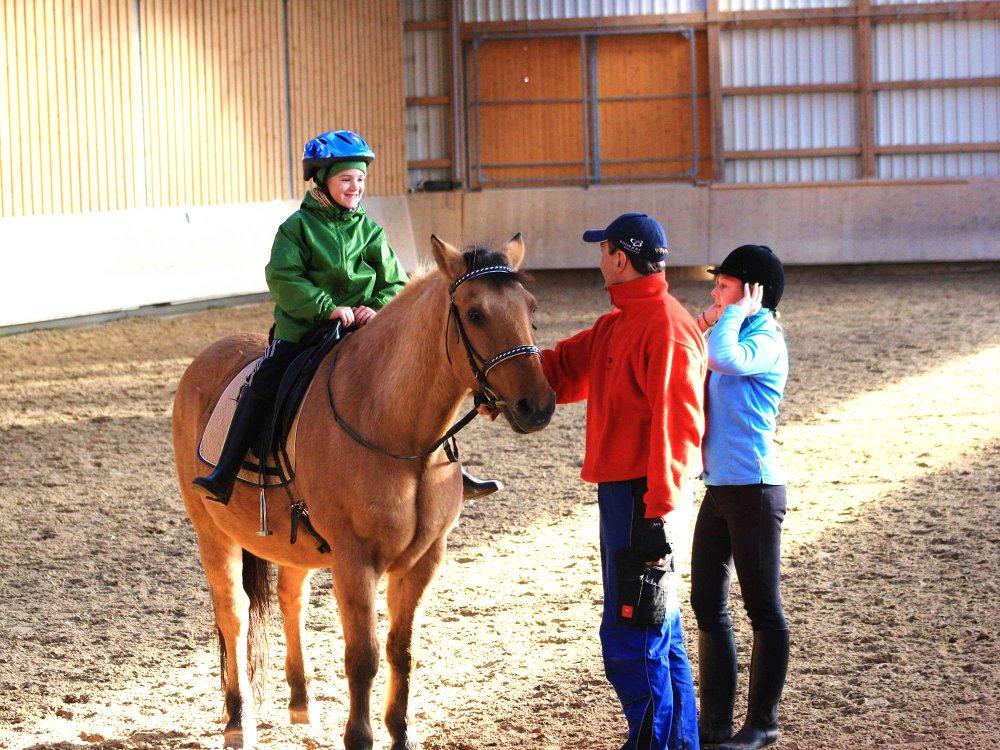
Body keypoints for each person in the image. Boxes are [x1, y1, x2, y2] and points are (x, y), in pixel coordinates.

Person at [193, 130, 500, 503]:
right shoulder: (296, 230)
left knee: (421, 383)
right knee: (263, 384)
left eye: (360, 179)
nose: (355, 186)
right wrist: (327, 308)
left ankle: (449, 470)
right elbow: (283, 277)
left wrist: (378, 306)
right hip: (305, 330)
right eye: (346, 179)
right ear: (322, 180)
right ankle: (226, 470)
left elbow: (394, 281)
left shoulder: (370, 231)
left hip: (364, 332)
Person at [540, 212, 706, 750]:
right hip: (628, 494)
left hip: (643, 498)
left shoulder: (666, 328)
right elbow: (563, 368)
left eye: (602, 250)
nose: (598, 260)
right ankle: (678, 743)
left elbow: (678, 429)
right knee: (661, 630)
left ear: (619, 257)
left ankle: (654, 743)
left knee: (632, 633)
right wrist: (502, 373)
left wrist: (659, 514)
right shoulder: (618, 323)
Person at [689, 245, 789, 750]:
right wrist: (719, 313)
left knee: (763, 609)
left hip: (754, 488)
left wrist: (732, 314)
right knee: (706, 602)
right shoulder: (736, 326)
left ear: (753, 293)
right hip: (721, 486)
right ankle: (715, 726)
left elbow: (720, 357)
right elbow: (689, 341)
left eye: (723, 286)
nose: (714, 292)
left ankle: (763, 724)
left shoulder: (765, 337)